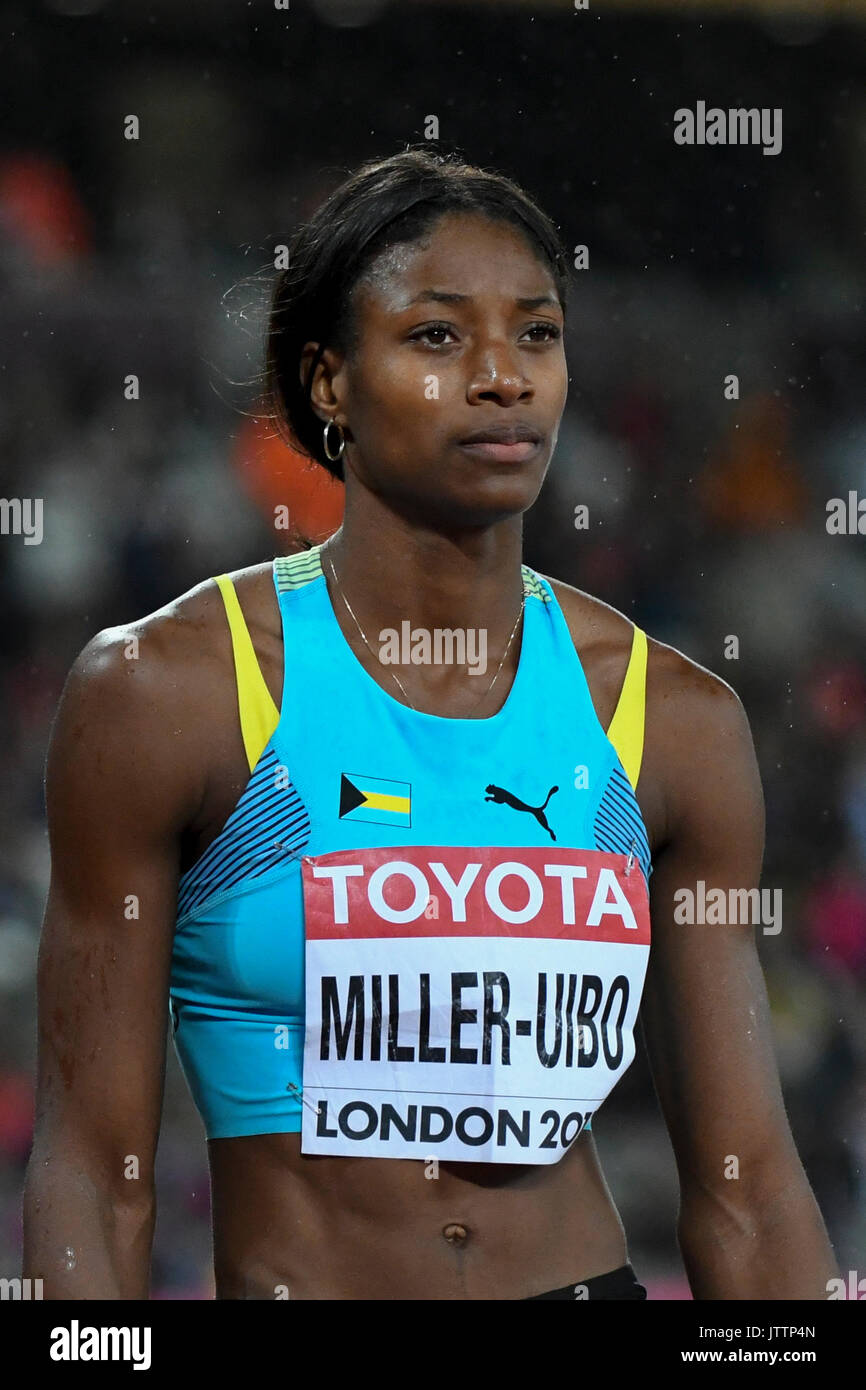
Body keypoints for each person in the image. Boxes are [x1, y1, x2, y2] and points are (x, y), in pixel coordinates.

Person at [23, 148, 838, 1300]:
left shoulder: (674, 720)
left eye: (537, 335)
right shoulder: (167, 692)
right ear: (327, 384)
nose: (502, 377)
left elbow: (746, 1184)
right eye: (437, 337)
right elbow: (93, 1176)